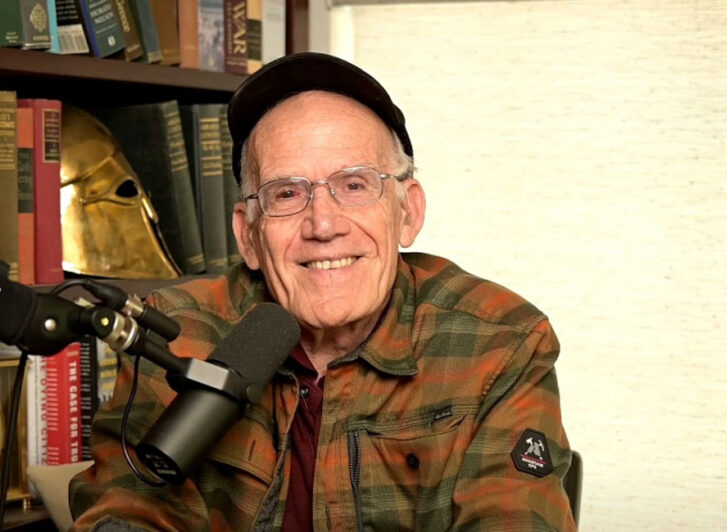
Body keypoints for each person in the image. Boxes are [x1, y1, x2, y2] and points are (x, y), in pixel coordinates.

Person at [69, 52, 576, 532]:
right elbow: (128, 505)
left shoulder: (499, 341)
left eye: (354, 185)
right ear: (248, 234)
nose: (323, 224)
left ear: (409, 212)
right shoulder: (178, 333)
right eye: (287, 193)